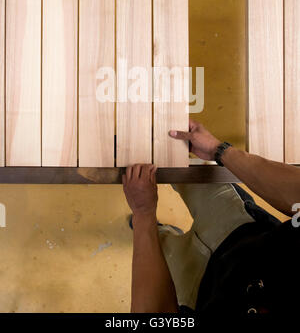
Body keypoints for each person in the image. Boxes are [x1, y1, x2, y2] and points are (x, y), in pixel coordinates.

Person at [122, 120, 300, 316]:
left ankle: (160, 233)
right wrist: (220, 150)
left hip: (198, 293)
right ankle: (157, 233)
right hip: (240, 230)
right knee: (183, 169)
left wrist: (144, 214)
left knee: (163, 248)